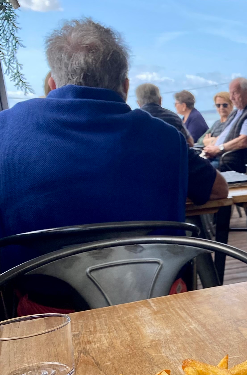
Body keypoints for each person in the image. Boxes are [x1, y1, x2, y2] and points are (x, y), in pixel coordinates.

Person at [0, 19, 226, 274]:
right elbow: (219, 190)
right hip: (156, 304)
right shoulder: (166, 137)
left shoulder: (5, 130)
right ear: (126, 87)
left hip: (37, 311)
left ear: (52, 83)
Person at [202, 77, 247, 172]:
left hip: (230, 161)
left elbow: (243, 142)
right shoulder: (235, 113)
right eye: (230, 93)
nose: (231, 98)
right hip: (218, 157)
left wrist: (218, 149)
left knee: (196, 174)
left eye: (235, 93)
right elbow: (224, 136)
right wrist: (211, 147)